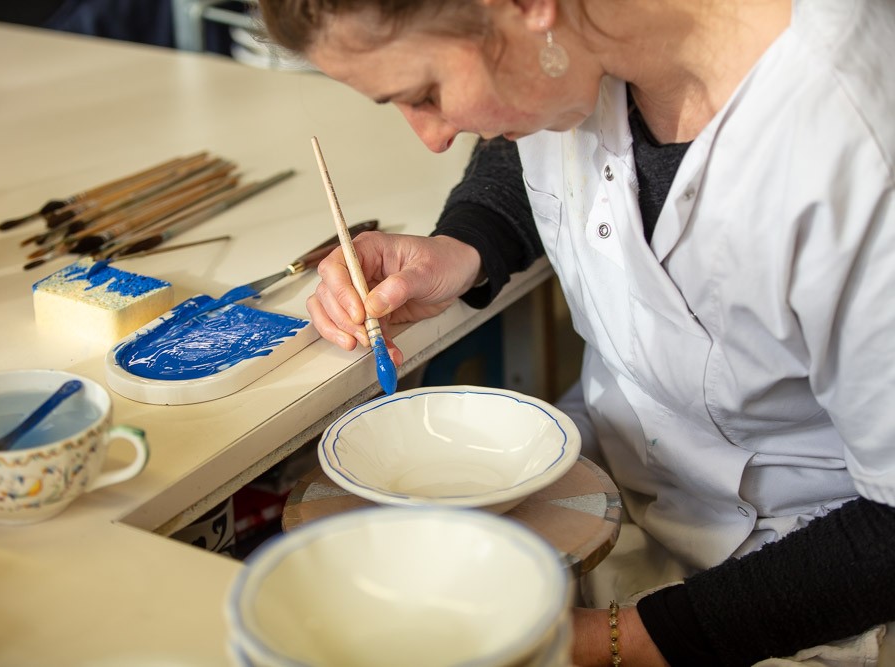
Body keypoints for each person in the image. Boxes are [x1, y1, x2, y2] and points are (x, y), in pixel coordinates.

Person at [256, 1, 895, 665]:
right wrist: (462, 243)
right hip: (619, 496)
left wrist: (611, 642)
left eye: (426, 94)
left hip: (816, 584)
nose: (433, 138)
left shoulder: (857, 135)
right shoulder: (585, 41)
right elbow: (531, 152)